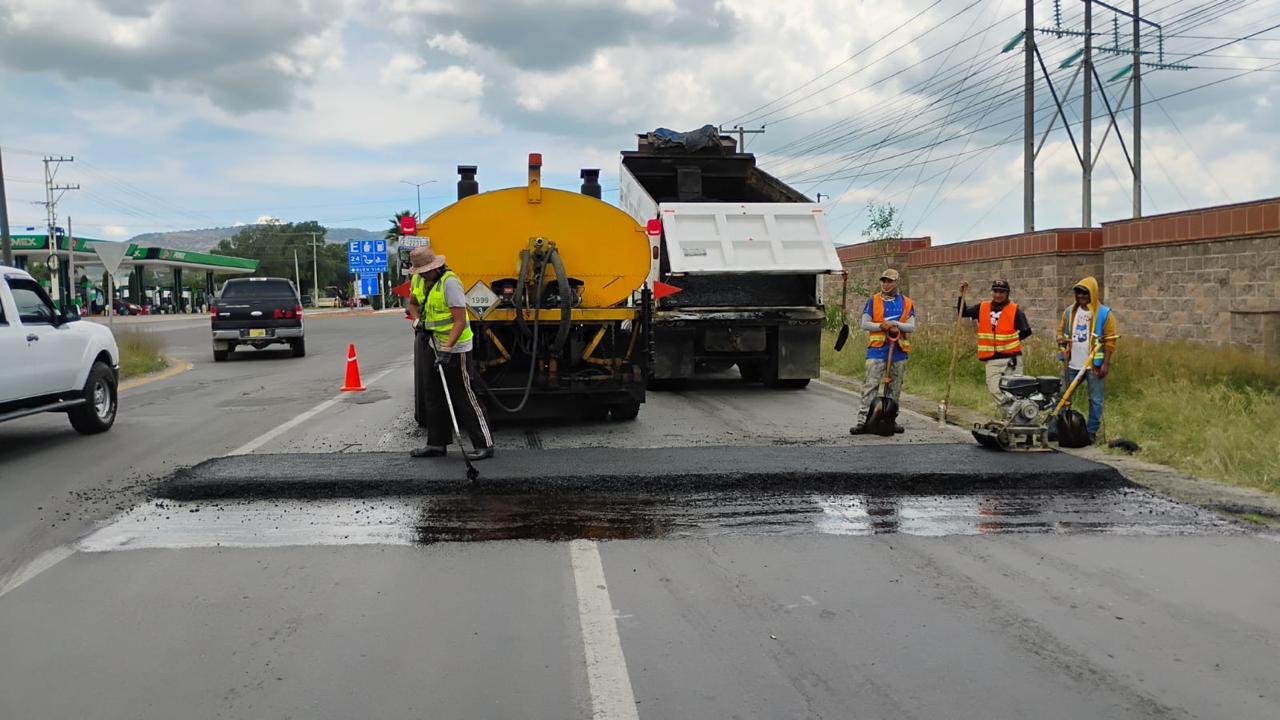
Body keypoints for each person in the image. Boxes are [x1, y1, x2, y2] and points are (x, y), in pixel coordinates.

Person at [406, 246, 495, 460]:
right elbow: (412, 304)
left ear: (436, 267)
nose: (423, 275)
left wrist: (447, 350)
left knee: (464, 394)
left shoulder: (450, 283)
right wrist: (417, 321)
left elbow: (459, 321)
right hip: (432, 342)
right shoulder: (418, 280)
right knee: (433, 393)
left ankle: (484, 444)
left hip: (457, 347)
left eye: (426, 271)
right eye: (420, 271)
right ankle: (436, 444)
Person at [850, 268, 915, 435]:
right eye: (884, 281)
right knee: (870, 385)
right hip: (877, 351)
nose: (886, 284)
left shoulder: (907, 303)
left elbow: (911, 326)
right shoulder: (873, 301)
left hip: (898, 351)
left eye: (889, 281)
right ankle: (863, 421)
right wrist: (881, 325)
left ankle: (890, 420)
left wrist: (895, 325)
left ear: (896, 282)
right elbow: (865, 323)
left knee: (895, 388)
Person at [1056, 276, 1118, 444]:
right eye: (1078, 292)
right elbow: (1061, 332)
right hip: (1071, 364)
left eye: (1085, 292)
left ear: (1093, 293)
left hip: (1093, 366)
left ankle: (1091, 432)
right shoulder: (1069, 312)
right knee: (1061, 396)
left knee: (1095, 400)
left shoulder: (1104, 314)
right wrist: (1060, 340)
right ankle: (1058, 429)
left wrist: (1105, 364)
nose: (1081, 296)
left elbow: (1110, 341)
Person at [958, 279, 1033, 418]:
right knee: (994, 389)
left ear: (1007, 293)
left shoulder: (1015, 310)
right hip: (992, 358)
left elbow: (1026, 331)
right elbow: (963, 312)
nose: (998, 294)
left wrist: (1011, 341)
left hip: (1012, 358)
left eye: (1002, 292)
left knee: (1014, 390)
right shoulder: (982, 307)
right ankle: (1013, 412)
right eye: (996, 291)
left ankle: (1013, 419)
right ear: (992, 292)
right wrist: (961, 295)